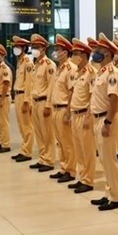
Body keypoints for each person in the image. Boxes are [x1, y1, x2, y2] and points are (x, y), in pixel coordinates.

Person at [89, 33, 118, 211]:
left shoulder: (113, 73)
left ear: (108, 54)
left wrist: (108, 122)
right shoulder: (101, 73)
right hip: (99, 119)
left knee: (109, 160)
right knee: (104, 160)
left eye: (100, 51)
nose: (95, 53)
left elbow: (113, 100)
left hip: (106, 119)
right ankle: (108, 193)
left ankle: (116, 197)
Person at [68, 38, 97, 193]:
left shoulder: (91, 72)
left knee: (87, 150)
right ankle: (80, 177)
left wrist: (88, 116)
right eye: (73, 53)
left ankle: (88, 180)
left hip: (84, 114)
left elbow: (93, 96)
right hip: (75, 113)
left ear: (85, 55)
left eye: (77, 53)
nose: (73, 56)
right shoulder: (78, 72)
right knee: (78, 149)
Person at [48, 34, 78, 183]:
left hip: (63, 109)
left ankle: (71, 170)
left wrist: (68, 111)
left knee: (67, 142)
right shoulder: (61, 68)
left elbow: (71, 91)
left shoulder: (71, 69)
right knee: (60, 141)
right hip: (56, 109)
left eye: (58, 49)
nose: (55, 52)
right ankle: (63, 167)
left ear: (65, 52)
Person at [29, 34, 57, 172]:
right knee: (39, 132)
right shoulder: (35, 65)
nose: (34, 49)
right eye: (33, 47)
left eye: (37, 47)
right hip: (35, 101)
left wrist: (48, 105)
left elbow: (52, 86)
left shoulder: (49, 65)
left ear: (44, 49)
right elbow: (33, 85)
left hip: (44, 102)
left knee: (47, 133)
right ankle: (42, 158)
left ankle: (49, 160)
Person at [10, 36, 35, 163]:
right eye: (15, 47)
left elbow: (29, 83)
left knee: (27, 125)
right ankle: (24, 149)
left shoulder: (28, 63)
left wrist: (26, 101)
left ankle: (27, 152)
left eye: (18, 47)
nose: (16, 49)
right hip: (18, 95)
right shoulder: (20, 62)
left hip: (24, 96)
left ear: (24, 48)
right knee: (21, 125)